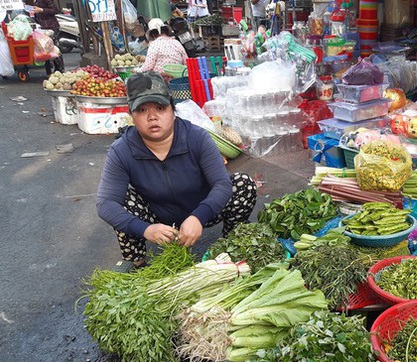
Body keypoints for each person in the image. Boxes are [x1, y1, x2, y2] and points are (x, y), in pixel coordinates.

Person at [96, 72, 257, 266]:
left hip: (202, 210)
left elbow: (221, 184)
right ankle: (136, 265)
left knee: (243, 185)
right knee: (121, 203)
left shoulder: (197, 138)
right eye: (142, 110)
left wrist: (198, 216)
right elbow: (105, 204)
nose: (152, 117)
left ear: (172, 110)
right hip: (158, 219)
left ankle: (231, 246)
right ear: (132, 115)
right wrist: (145, 229)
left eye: (160, 108)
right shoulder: (122, 150)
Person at [27, 0, 64, 73]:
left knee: (54, 48)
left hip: (50, 27)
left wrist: (41, 10)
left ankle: (59, 69)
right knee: (43, 50)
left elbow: (55, 10)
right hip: (40, 28)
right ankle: (49, 71)